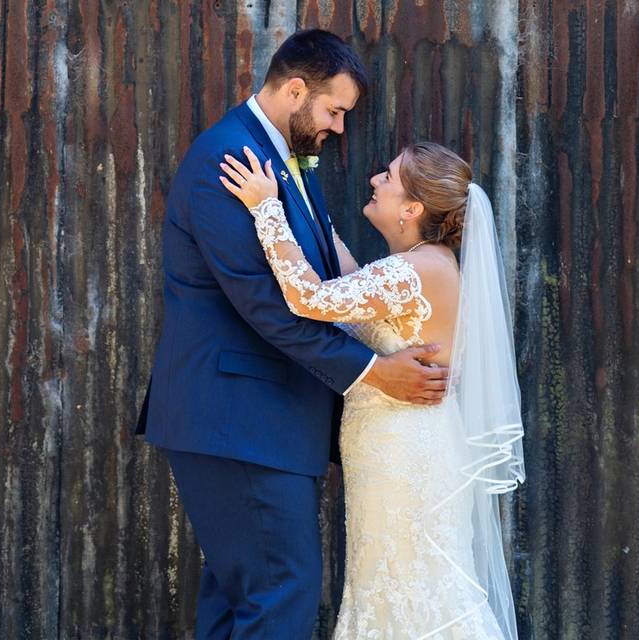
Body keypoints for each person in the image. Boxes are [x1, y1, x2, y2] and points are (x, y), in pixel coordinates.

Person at [136, 29, 448, 639]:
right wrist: (373, 371)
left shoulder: (276, 158)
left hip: (260, 423)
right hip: (239, 418)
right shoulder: (230, 160)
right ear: (296, 89)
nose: (337, 128)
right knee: (281, 592)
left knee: (242, 601)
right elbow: (266, 305)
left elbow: (322, 276)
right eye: (334, 111)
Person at [220, 141, 526, 639]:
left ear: (413, 208)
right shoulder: (421, 264)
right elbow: (350, 279)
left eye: (389, 176)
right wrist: (303, 201)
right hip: (395, 446)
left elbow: (310, 297)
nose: (375, 180)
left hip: (406, 453)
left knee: (416, 585)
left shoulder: (417, 269)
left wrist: (265, 208)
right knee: (389, 583)